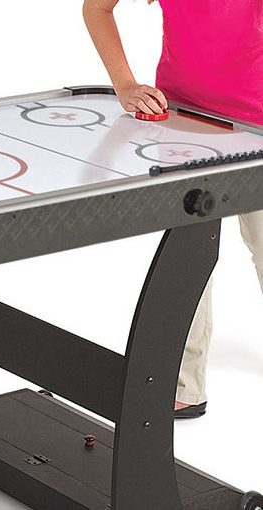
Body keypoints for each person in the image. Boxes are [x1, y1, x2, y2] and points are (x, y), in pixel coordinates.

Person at [83, 0, 263, 418]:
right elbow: (98, 8)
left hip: (257, 125)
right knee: (188, 257)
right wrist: (125, 85)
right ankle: (184, 383)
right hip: (186, 121)